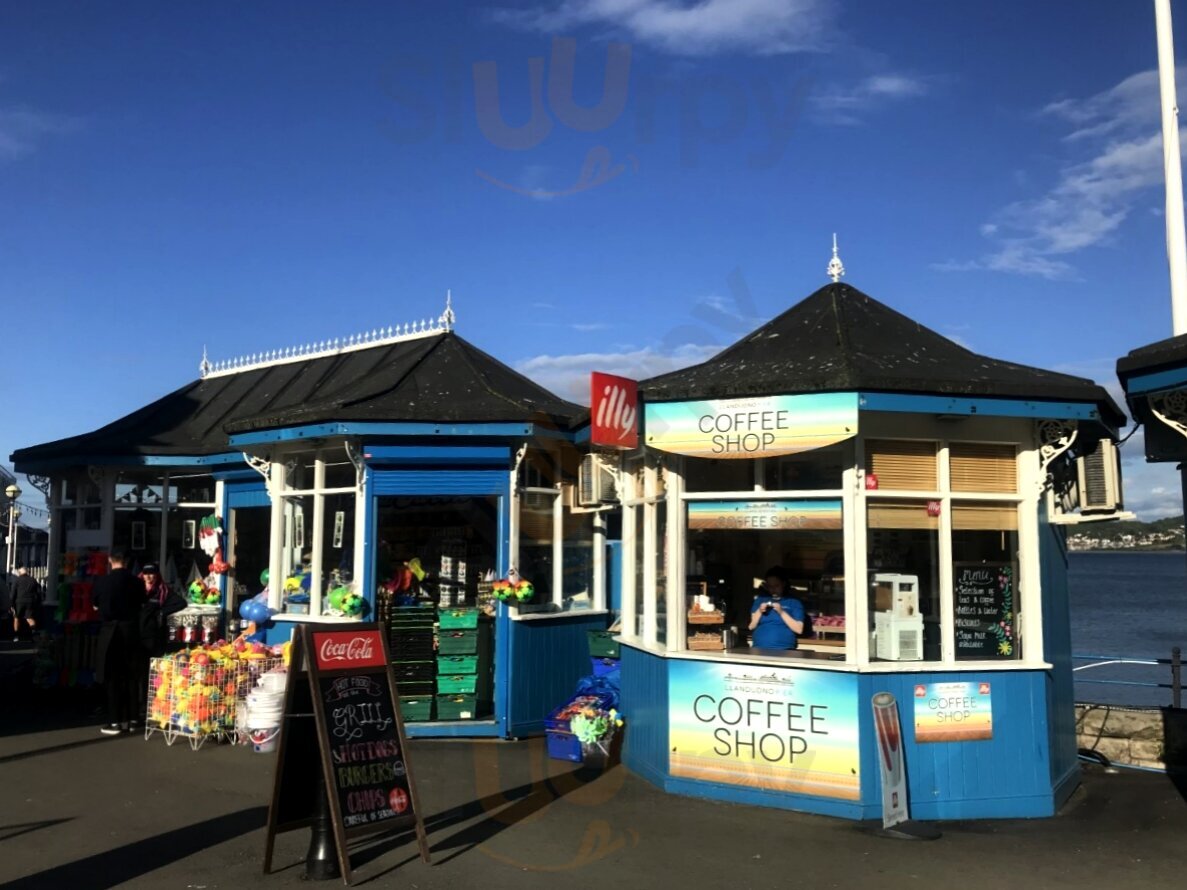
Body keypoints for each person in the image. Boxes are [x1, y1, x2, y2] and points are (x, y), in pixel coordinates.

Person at [92, 550, 147, 735]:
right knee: (132, 675)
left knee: (112, 677)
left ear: (110, 560)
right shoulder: (137, 582)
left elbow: (95, 605)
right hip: (130, 631)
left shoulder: (101, 582)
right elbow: (142, 603)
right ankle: (133, 719)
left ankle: (115, 721)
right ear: (127, 561)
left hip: (109, 632)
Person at [748, 566, 806, 651]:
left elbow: (799, 629)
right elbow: (751, 626)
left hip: (785, 649)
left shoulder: (794, 602)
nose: (773, 589)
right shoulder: (760, 600)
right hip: (759, 648)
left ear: (783, 584)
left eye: (776, 586)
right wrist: (759, 611)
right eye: (770, 586)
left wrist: (781, 612)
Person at [11, 566, 43, 640]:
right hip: (30, 602)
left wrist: (11, 604)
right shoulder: (33, 580)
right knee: (29, 618)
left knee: (16, 618)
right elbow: (38, 592)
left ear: (19, 573)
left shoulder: (17, 580)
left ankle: (16, 636)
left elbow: (13, 593)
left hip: (19, 602)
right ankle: (34, 633)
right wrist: (38, 602)